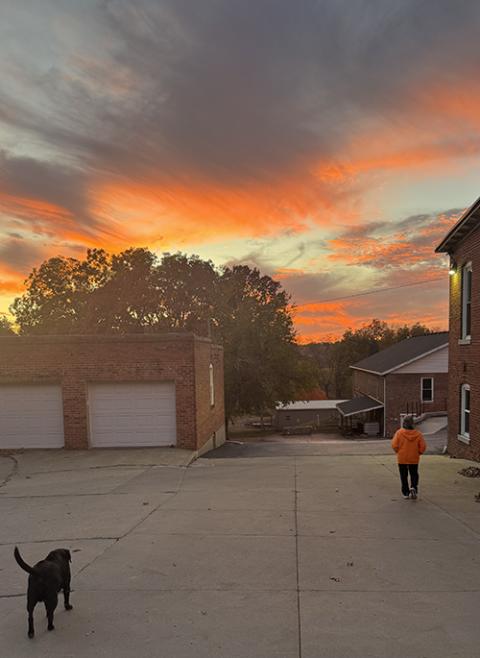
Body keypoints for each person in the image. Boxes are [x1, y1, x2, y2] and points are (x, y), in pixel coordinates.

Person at [391, 415, 426, 499]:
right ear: (413, 423)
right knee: (414, 474)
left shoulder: (399, 433)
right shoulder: (418, 434)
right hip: (414, 458)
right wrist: (419, 453)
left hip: (402, 458)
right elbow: (423, 446)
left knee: (403, 475)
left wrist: (397, 451)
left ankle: (405, 492)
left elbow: (394, 445)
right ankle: (413, 487)